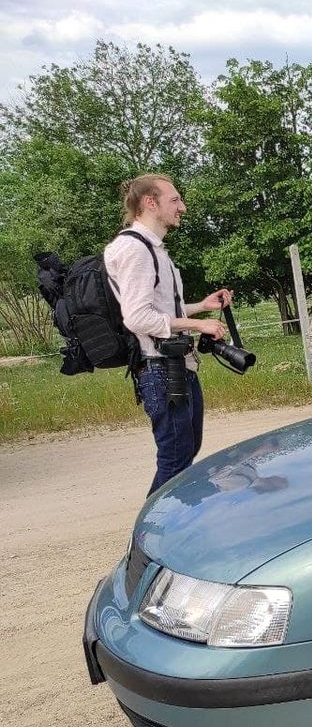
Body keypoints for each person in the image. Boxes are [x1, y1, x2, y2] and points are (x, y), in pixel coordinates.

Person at [104, 173, 233, 495]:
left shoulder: (153, 249)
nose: (182, 207)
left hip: (174, 366)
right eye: (175, 200)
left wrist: (201, 306)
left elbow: (160, 309)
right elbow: (137, 317)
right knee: (175, 461)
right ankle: (151, 537)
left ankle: (168, 530)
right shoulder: (134, 250)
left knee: (184, 454)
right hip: (160, 368)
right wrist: (198, 325)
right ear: (150, 203)